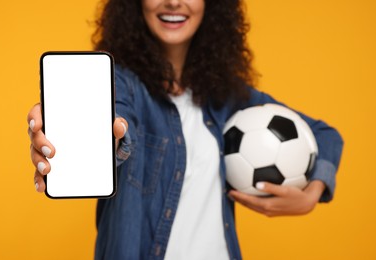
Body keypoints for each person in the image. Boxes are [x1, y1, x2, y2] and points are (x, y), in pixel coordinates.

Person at [27, 0, 344, 259]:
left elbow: (326, 135)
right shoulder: (120, 85)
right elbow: (118, 125)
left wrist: (312, 194)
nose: (174, 2)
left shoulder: (229, 98)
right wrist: (86, 136)